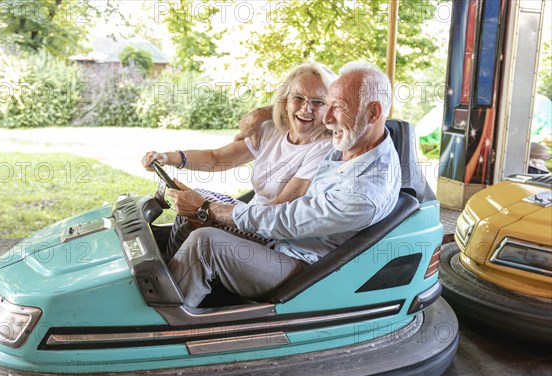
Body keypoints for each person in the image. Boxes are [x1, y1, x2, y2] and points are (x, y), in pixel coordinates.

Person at [166, 61, 401, 308]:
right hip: (280, 242)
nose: (328, 119)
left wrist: (207, 208)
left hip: (302, 269)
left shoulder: (363, 192)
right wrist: (262, 113)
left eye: (337, 107)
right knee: (187, 219)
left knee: (206, 243)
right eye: (328, 105)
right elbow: (304, 110)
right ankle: (169, 285)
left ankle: (162, 330)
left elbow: (282, 220)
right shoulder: (355, 137)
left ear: (373, 113)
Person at [141, 62, 336, 253]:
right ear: (286, 99)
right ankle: (170, 267)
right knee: (188, 207)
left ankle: (169, 275)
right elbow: (216, 158)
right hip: (248, 214)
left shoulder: (324, 148)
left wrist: (206, 209)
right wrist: (168, 157)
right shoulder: (272, 130)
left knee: (193, 209)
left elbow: (277, 210)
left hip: (270, 232)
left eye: (318, 102)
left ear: (329, 108)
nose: (306, 108)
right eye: (298, 98)